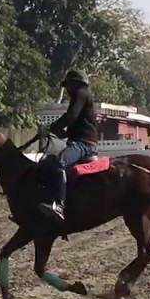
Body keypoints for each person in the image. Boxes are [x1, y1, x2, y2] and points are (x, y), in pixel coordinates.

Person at [39, 70, 98, 222]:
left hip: (84, 143)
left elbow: (70, 116)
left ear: (77, 83)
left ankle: (59, 205)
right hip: (81, 140)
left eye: (69, 85)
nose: (67, 89)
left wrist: (52, 127)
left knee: (60, 162)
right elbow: (74, 122)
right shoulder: (82, 95)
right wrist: (60, 132)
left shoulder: (80, 93)